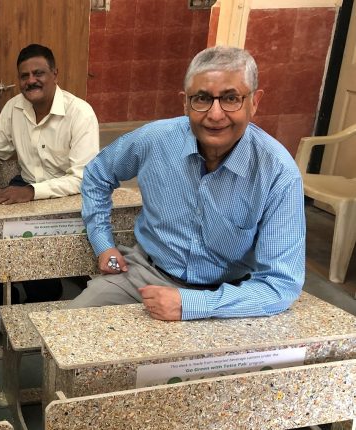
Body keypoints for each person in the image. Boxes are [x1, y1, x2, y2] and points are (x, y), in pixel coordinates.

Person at [69, 46, 305, 321]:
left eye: (231, 98)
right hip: (147, 275)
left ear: (254, 102)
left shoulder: (278, 173)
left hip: (231, 293)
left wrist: (192, 303)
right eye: (202, 98)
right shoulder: (155, 140)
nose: (215, 114)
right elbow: (97, 173)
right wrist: (103, 243)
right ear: (185, 103)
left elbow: (280, 285)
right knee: (70, 327)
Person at [0, 44, 99, 329]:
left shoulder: (80, 113)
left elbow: (82, 178)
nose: (31, 80)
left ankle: (43, 295)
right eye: (24, 75)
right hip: (28, 183)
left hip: (68, 193)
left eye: (38, 73)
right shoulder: (14, 108)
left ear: (55, 74)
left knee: (37, 242)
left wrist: (32, 193)